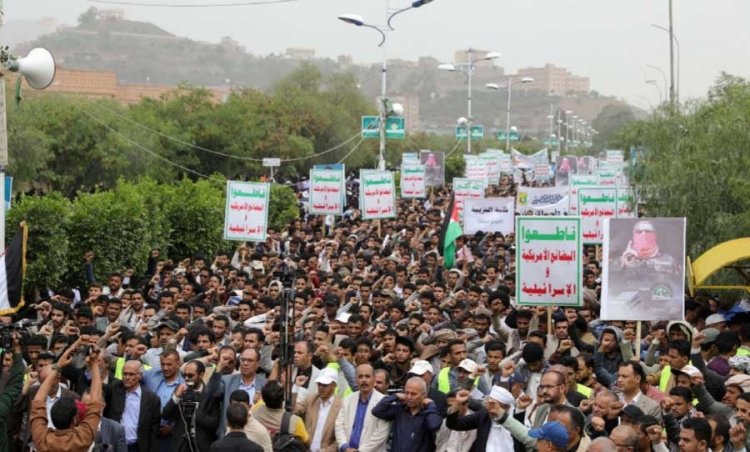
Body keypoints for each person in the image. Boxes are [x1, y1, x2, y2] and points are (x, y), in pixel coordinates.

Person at [30, 344, 104, 452]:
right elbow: (96, 402)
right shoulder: (82, 438)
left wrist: (58, 366)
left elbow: (37, 402)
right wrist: (94, 364)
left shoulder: (42, 439)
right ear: (75, 419)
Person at [161, 360, 223, 452]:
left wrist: (193, 411)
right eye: (184, 375)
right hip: (179, 446)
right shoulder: (179, 391)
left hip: (201, 446)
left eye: (190, 375)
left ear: (201, 375)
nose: (186, 378)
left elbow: (214, 423)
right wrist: (176, 397)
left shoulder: (211, 395)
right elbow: (165, 415)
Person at [371, 376, 442, 452]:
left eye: (413, 394)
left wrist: (430, 405)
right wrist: (395, 396)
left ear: (424, 395)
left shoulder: (428, 413)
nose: (409, 397)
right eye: (406, 393)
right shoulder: (399, 409)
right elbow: (377, 411)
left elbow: (433, 426)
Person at [104, 360, 162, 452]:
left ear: (140, 376)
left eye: (131, 374)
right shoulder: (115, 388)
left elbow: (154, 431)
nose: (127, 377)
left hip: (137, 447)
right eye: (125, 374)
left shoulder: (152, 399)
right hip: (114, 445)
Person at [335, 364, 391, 452]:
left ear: (374, 379)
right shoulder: (348, 399)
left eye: (367, 376)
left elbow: (381, 434)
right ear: (356, 380)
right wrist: (345, 446)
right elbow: (339, 425)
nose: (364, 380)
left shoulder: (384, 401)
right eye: (360, 377)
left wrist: (360, 451)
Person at [446, 386, 516, 452]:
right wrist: (457, 402)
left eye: (495, 405)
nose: (491, 409)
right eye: (489, 403)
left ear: (507, 408)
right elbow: (453, 424)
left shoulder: (515, 423)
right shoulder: (484, 416)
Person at [218, 348, 267, 435]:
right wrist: (220, 366)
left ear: (257, 364)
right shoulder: (226, 381)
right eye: (243, 360)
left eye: (250, 360)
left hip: (255, 436)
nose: (245, 363)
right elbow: (210, 393)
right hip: (229, 435)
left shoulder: (265, 385)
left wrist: (261, 403)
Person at [294, 368, 342, 452]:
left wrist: (327, 450)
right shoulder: (311, 399)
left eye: (325, 385)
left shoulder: (341, 406)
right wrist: (296, 388)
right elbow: (294, 410)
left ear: (334, 385)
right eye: (319, 384)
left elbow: (340, 438)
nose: (321, 387)